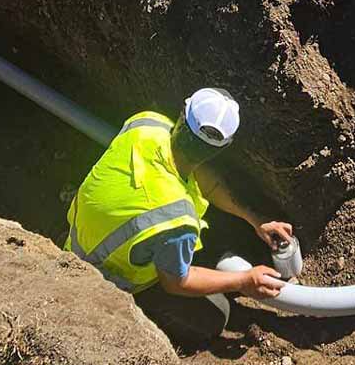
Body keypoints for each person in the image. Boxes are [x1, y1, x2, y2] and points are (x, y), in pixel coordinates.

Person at [65, 88, 294, 348]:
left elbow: (204, 179)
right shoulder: (174, 218)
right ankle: (140, 323)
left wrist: (254, 219)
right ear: (223, 148)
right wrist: (243, 281)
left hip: (79, 242)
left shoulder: (146, 124)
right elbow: (176, 282)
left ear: (182, 114)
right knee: (215, 316)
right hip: (103, 284)